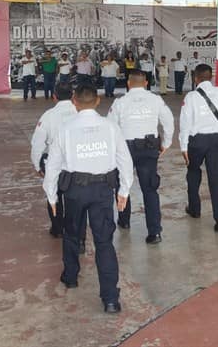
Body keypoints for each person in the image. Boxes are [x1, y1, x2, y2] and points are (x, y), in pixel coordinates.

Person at [43, 84, 133, 313]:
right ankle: (111, 299)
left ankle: (71, 276)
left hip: (74, 191)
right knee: (104, 243)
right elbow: (125, 160)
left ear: (74, 102)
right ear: (97, 101)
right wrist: (123, 191)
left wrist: (52, 196)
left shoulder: (65, 129)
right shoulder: (110, 127)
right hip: (103, 191)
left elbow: (52, 165)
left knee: (72, 235)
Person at [108, 70, 174, 243]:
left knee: (123, 184)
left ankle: (124, 220)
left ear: (128, 83)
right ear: (146, 83)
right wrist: (166, 143)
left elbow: (110, 127)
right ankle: (154, 232)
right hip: (149, 148)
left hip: (125, 149)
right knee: (150, 190)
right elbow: (168, 121)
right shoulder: (156, 99)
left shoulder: (120, 102)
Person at [179, 63, 218, 232]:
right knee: (216, 180)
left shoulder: (191, 97)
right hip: (215, 141)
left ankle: (194, 209)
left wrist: (183, 147)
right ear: (211, 77)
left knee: (193, 175)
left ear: (196, 78)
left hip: (196, 142)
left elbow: (184, 124)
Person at [30, 82, 84, 244]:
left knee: (54, 195)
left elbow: (37, 143)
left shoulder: (48, 116)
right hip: (78, 164)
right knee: (77, 200)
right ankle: (79, 236)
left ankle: (58, 228)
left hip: (55, 164)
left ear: (54, 96)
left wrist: (37, 165)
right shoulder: (80, 112)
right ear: (73, 96)